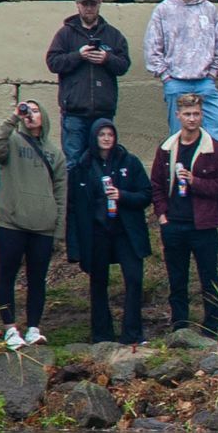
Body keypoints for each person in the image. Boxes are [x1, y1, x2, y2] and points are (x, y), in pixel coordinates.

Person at [149, 92, 218, 335]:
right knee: (177, 280)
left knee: (209, 279)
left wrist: (196, 182)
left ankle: (212, 329)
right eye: (187, 114)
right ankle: (180, 327)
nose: (192, 119)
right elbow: (156, 184)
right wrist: (162, 215)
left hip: (204, 225)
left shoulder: (215, 150)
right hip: (174, 224)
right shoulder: (166, 149)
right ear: (178, 116)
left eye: (196, 114)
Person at [0, 97, 63, 349]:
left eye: (35, 109)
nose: (31, 114)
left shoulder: (55, 152)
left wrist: (58, 228)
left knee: (37, 278)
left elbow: (62, 193)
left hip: (42, 226)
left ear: (44, 116)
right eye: (26, 109)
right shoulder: (12, 141)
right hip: (11, 222)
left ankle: (33, 327)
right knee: (7, 274)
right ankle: (10, 328)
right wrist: (13, 118)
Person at [66, 119, 151, 345]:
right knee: (98, 282)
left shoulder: (129, 162)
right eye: (101, 134)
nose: (106, 138)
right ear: (94, 137)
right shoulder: (82, 167)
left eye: (110, 134)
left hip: (126, 230)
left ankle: (132, 333)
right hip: (97, 232)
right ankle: (101, 334)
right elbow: (74, 208)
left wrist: (123, 195)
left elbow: (146, 194)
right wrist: (75, 247)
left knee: (133, 279)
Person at [146, 0, 218, 144]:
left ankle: (213, 170)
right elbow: (153, 46)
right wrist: (165, 76)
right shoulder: (163, 10)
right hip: (176, 82)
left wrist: (212, 74)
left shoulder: (208, 9)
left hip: (205, 82)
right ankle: (180, 171)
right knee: (180, 136)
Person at [46, 0, 131, 169]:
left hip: (103, 113)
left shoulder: (113, 35)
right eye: (85, 4)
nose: (89, 8)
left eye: (92, 4)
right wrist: (78, 56)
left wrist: (107, 59)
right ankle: (74, 199)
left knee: (103, 163)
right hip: (74, 113)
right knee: (74, 164)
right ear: (78, 5)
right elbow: (53, 62)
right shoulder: (65, 34)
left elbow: (124, 65)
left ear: (99, 4)